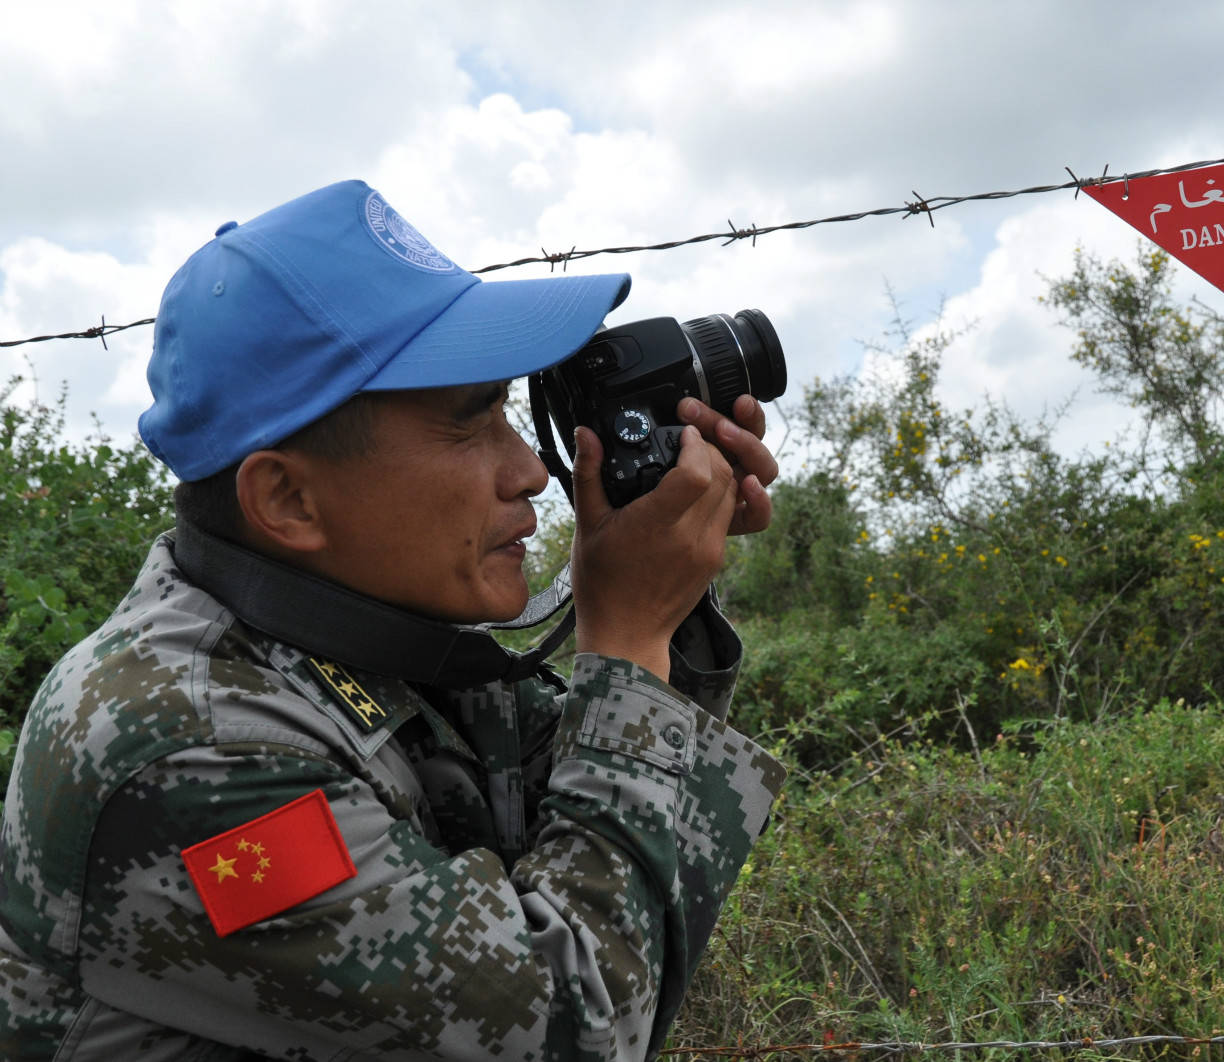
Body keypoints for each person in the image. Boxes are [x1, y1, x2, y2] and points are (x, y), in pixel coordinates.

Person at [0, 180, 785, 1060]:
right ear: (289, 499)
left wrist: (668, 590)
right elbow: (573, 1025)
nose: (529, 468)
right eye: (474, 421)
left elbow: (615, 868)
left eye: (509, 410)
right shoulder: (185, 747)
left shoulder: (375, 643)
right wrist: (629, 649)